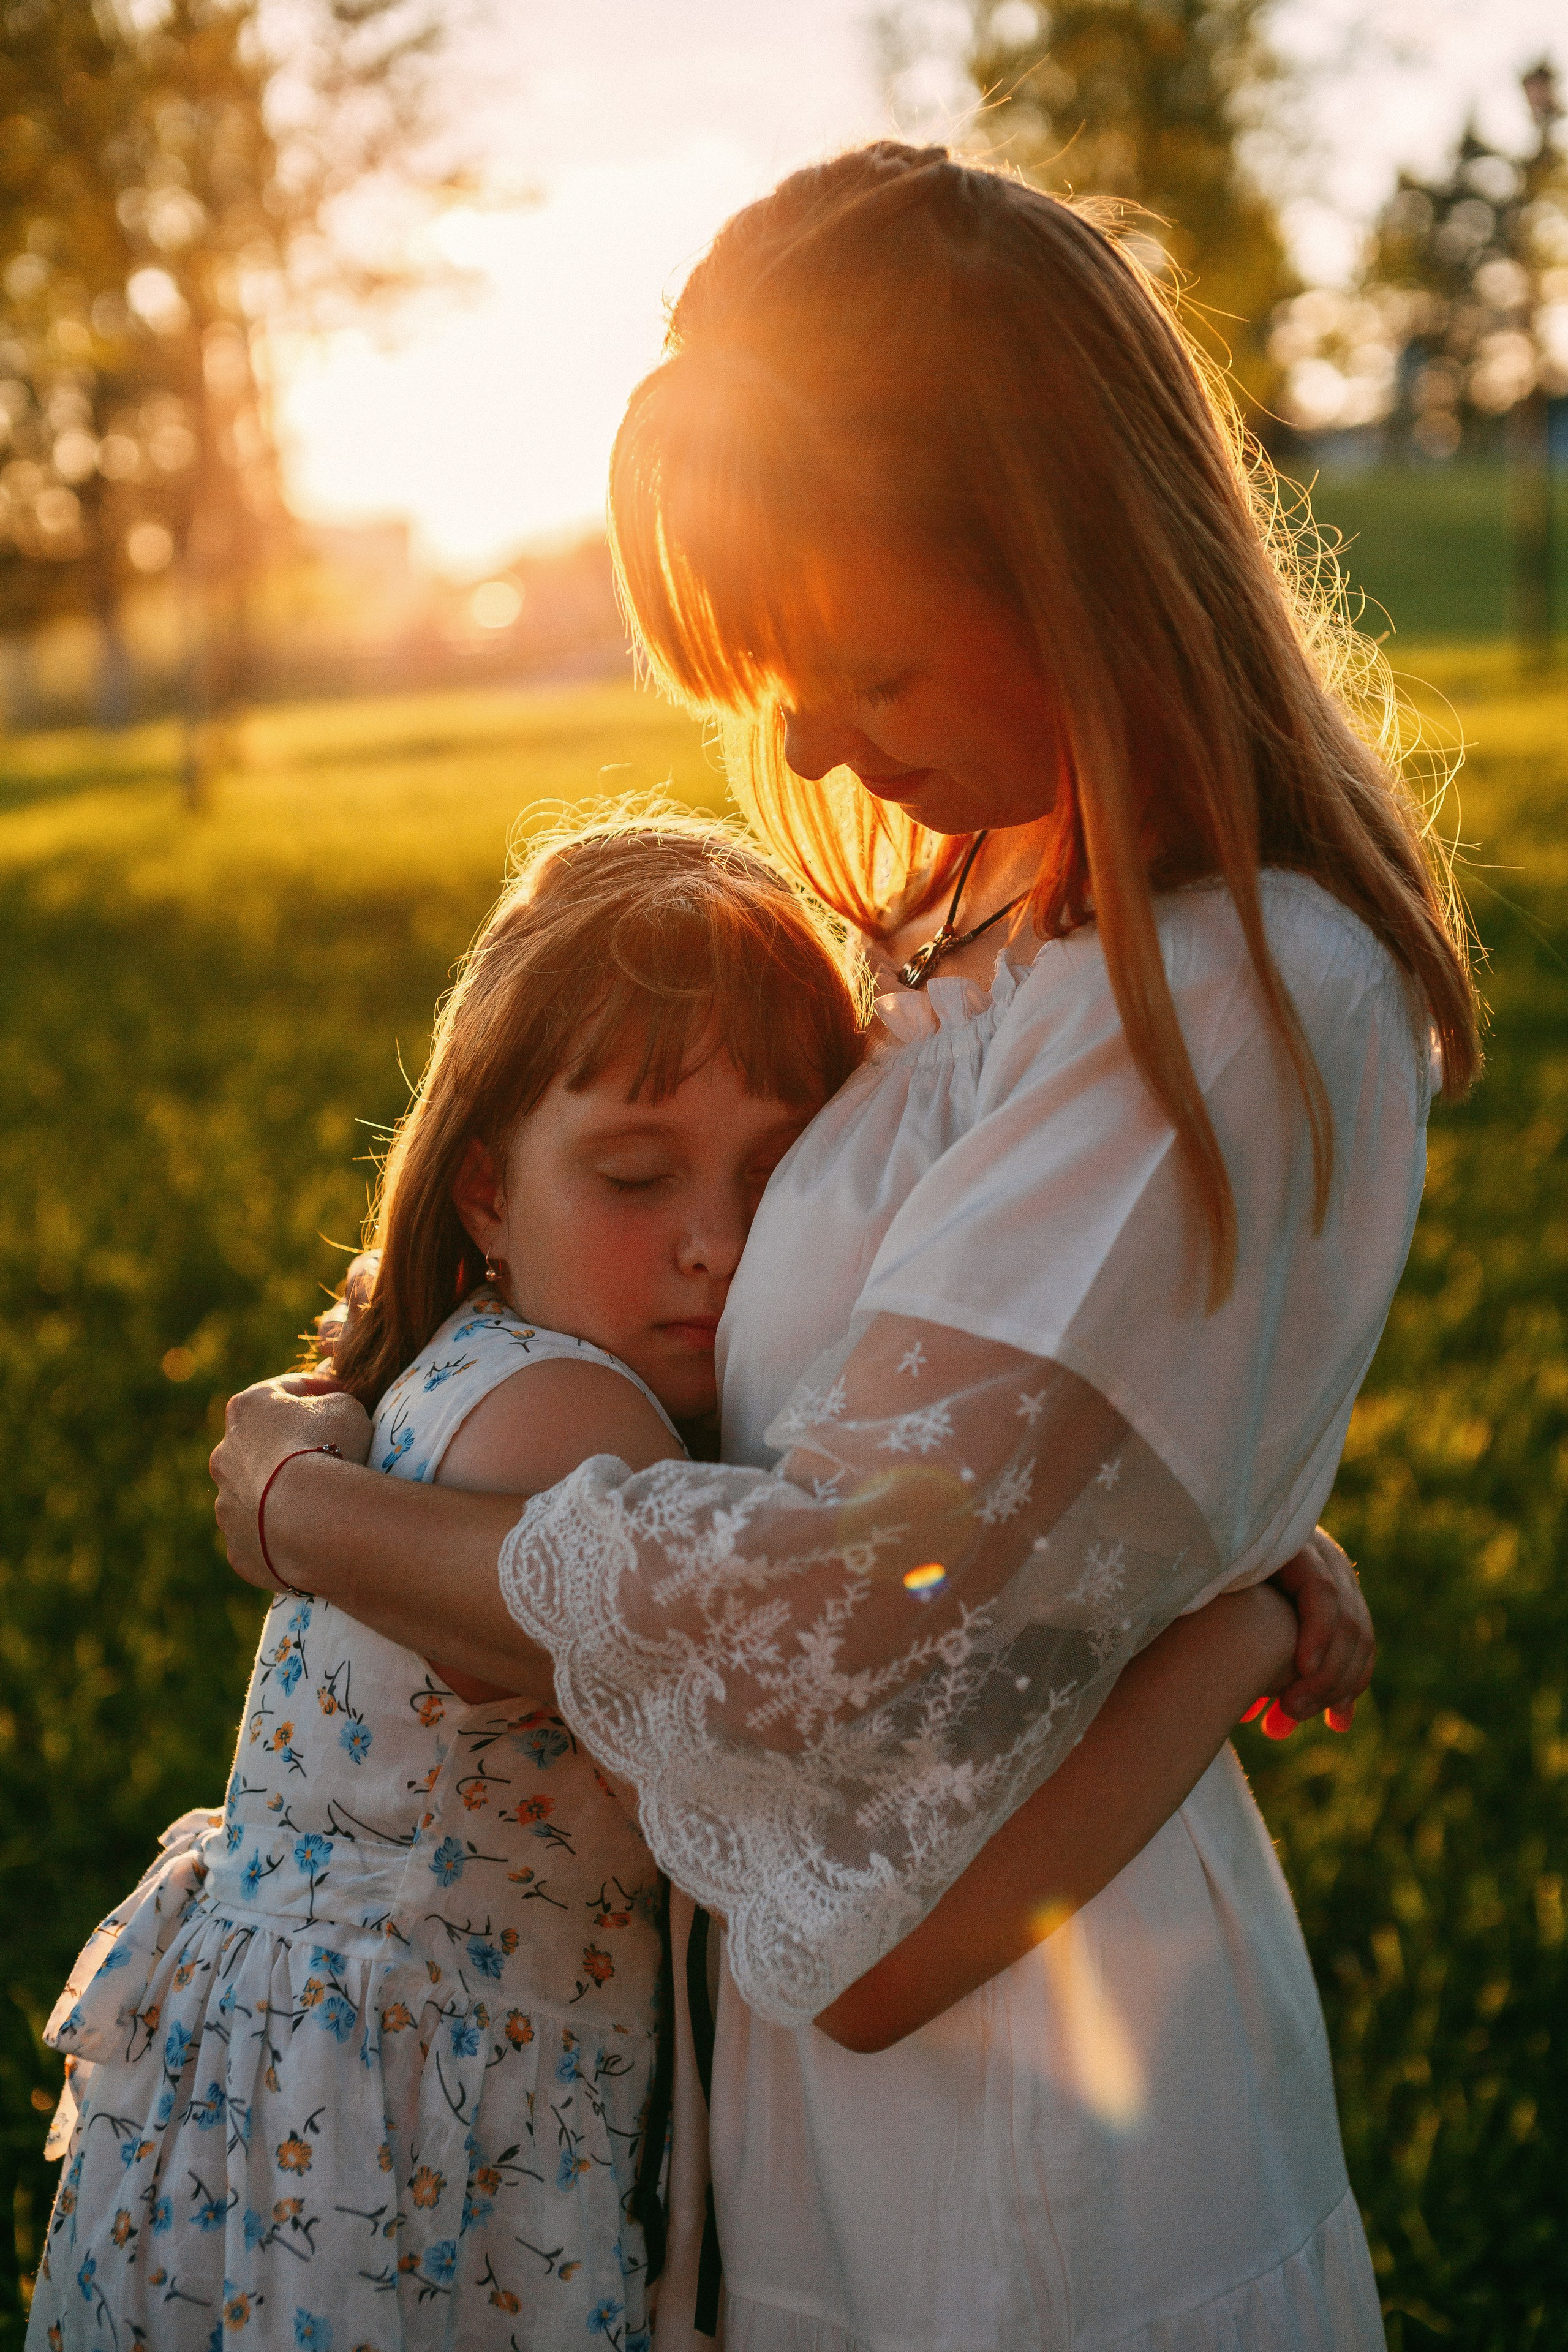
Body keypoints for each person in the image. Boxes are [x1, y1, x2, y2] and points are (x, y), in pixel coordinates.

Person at [208, 144, 1479, 2350]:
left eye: (863, 660)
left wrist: (304, 1513)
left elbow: (810, 1627)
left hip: (1037, 2081)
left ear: (1076, 569)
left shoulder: (1239, 1004)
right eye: (775, 670)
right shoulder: (988, 923)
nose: (799, 740)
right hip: (799, 2053)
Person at [28, 821, 864, 2352]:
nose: (719, 1243)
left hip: (284, 2116)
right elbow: (823, 1658)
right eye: (635, 1174)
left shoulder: (456, 1358)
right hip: (416, 2156)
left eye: (779, 1173)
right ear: (484, 1189)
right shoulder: (572, 1424)